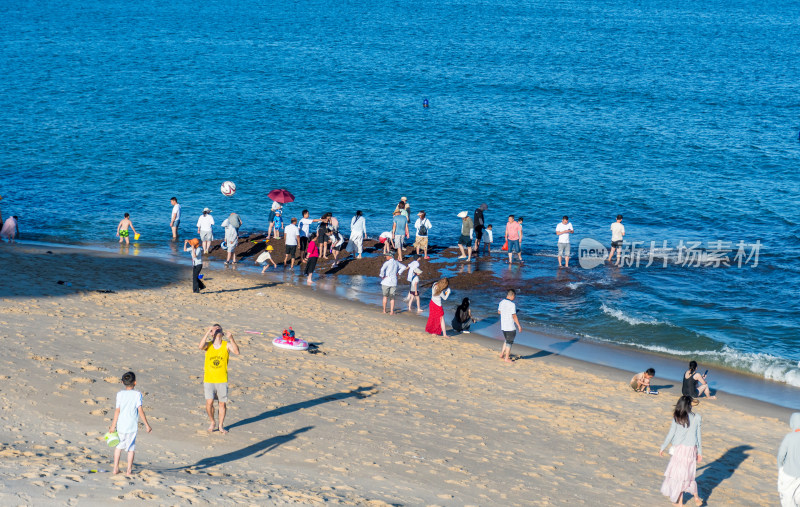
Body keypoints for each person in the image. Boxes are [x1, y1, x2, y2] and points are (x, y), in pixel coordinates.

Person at [659, 396, 704, 506]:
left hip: (679, 450)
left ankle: (680, 503)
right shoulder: (697, 417)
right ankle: (696, 497)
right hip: (691, 450)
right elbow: (698, 436)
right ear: (690, 405)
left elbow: (671, 434)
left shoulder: (677, 417)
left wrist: (663, 447)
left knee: (680, 476)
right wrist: (700, 452)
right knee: (689, 475)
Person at [107, 371, 152, 476]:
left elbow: (117, 410)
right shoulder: (137, 394)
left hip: (121, 426)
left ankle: (115, 469)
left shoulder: (120, 394)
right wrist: (147, 425)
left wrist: (113, 426)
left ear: (122, 382)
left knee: (118, 447)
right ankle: (128, 470)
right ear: (135, 383)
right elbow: (140, 410)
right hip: (132, 426)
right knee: (130, 449)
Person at [199, 324, 240, 433]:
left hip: (222, 379)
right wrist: (208, 332)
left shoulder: (226, 345)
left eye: (219, 329)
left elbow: (237, 352)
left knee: (222, 403)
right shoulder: (208, 345)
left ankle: (221, 426)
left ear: (222, 333)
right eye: (215, 330)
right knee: (209, 402)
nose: (217, 331)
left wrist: (231, 338)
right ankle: (212, 421)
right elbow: (200, 346)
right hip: (209, 379)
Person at [778, 413, 800, 507]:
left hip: (789, 473)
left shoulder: (789, 437)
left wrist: (780, 468)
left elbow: (781, 456)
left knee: (787, 498)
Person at [498, 289, 522, 363]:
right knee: (509, 342)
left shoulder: (501, 302)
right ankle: (507, 358)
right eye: (514, 296)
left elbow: (499, 312)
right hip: (510, 326)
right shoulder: (512, 304)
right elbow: (514, 316)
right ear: (512, 295)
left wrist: (506, 312)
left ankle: (502, 354)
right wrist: (519, 325)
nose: (514, 298)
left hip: (503, 326)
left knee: (507, 340)